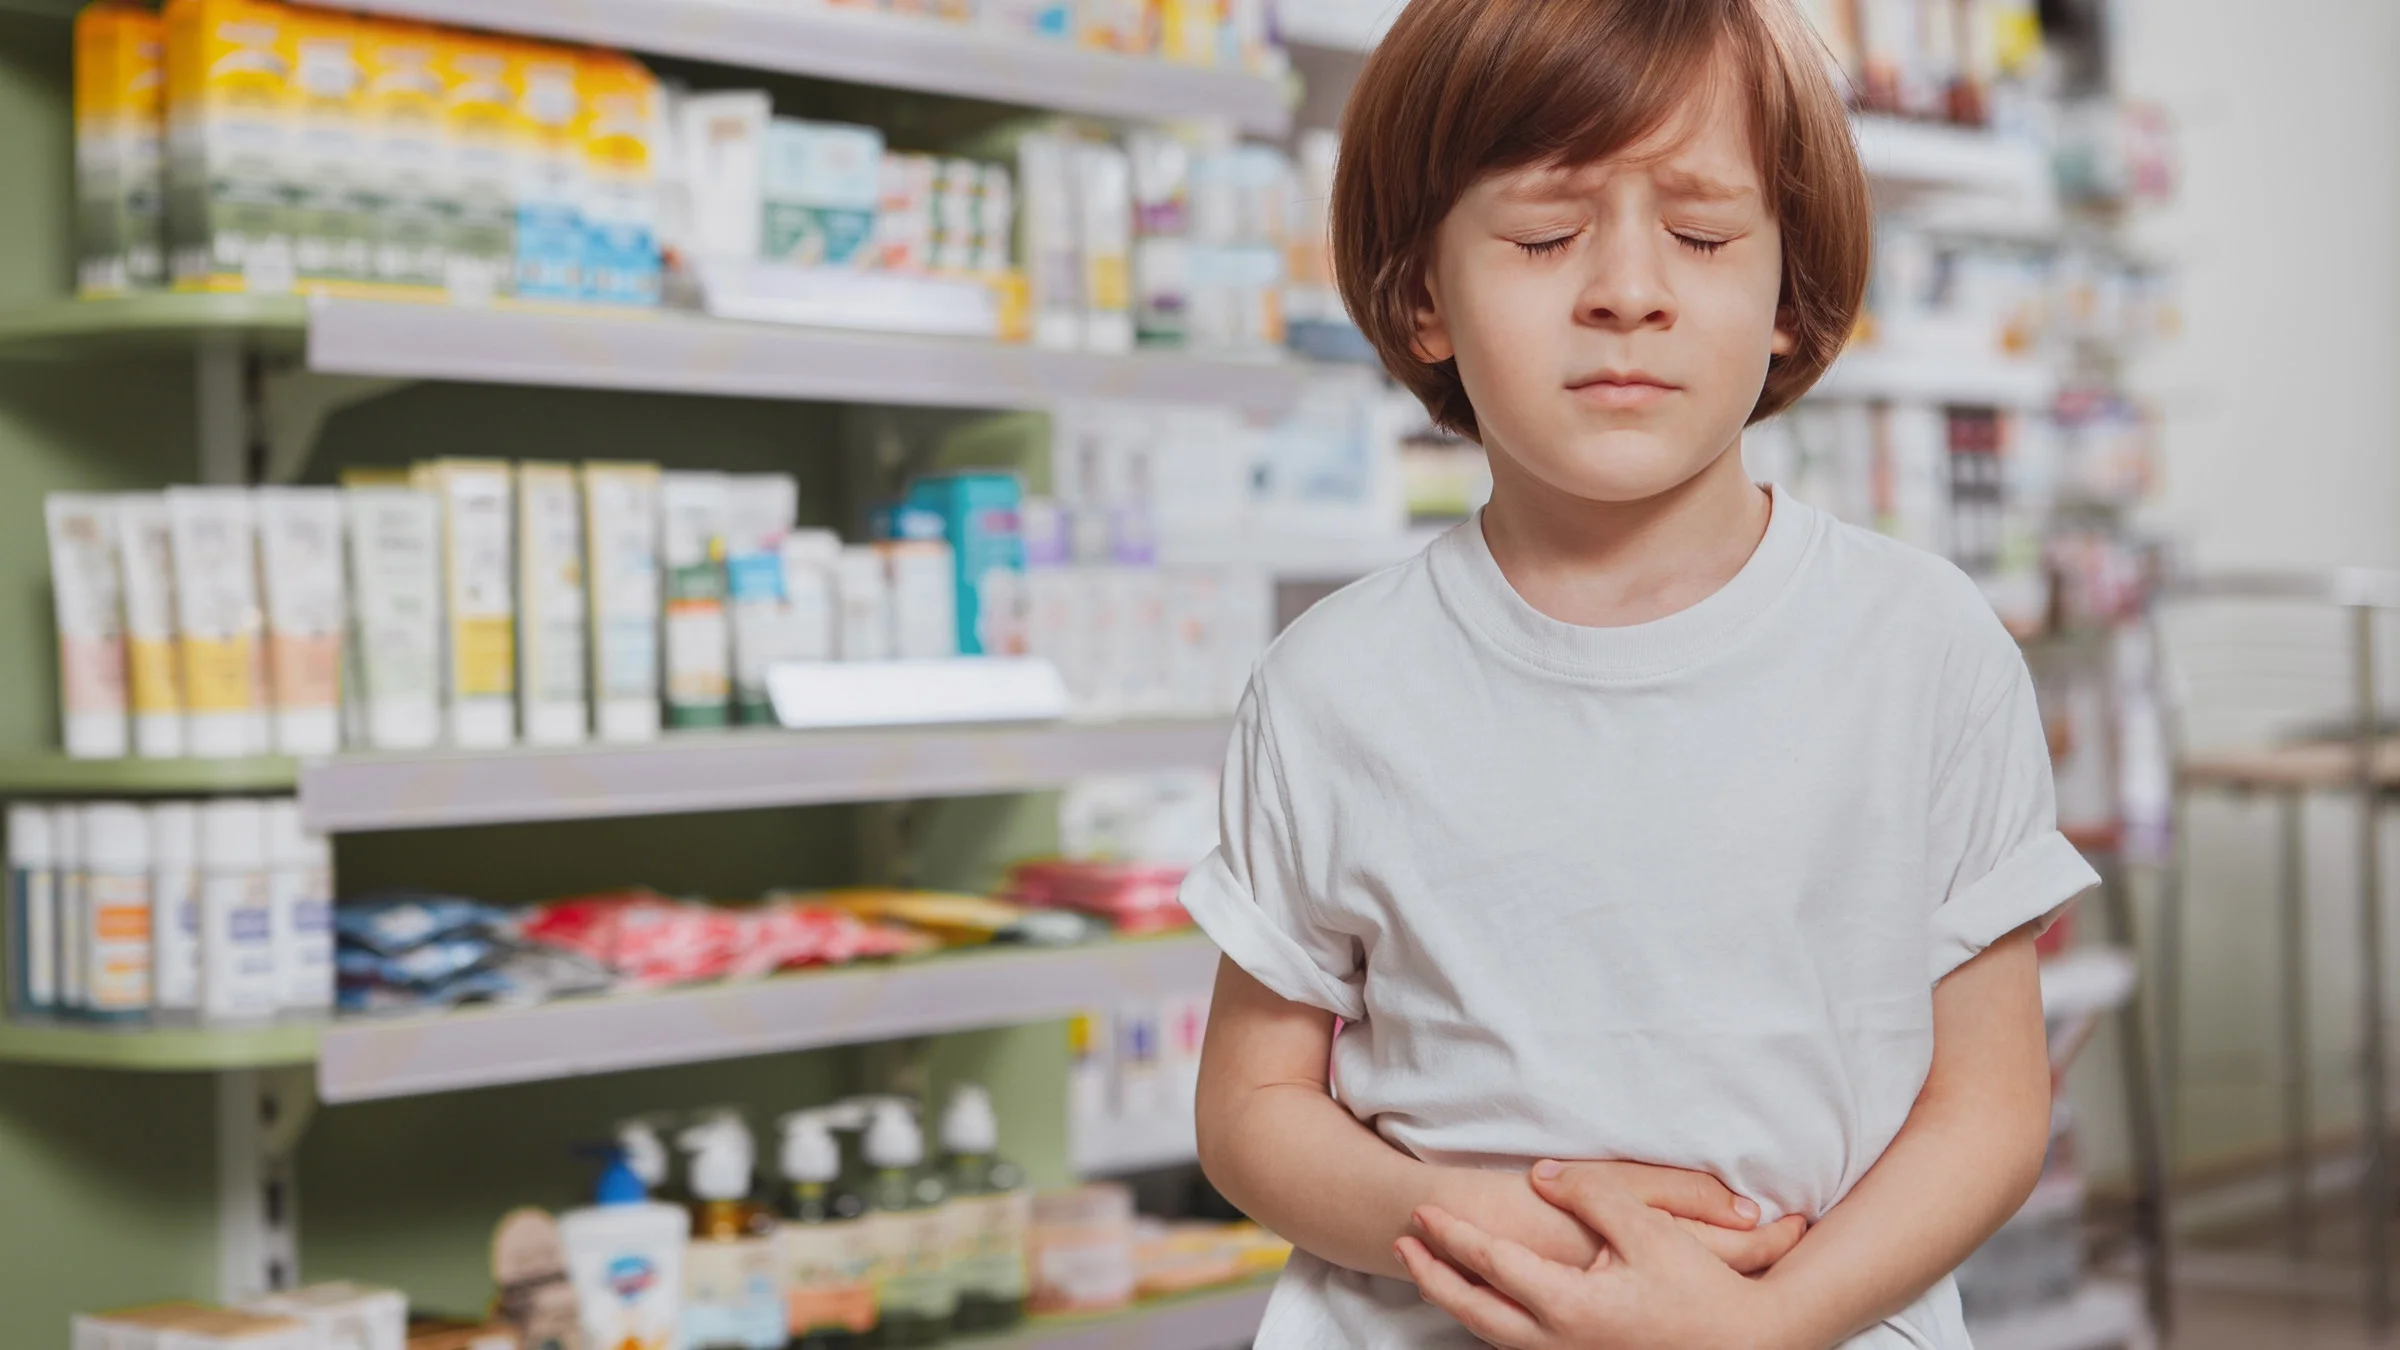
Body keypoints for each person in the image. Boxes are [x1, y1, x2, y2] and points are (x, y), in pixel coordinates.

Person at [1180, 0, 2100, 1346]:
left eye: (1704, 237)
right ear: (1424, 295)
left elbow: (1991, 1106)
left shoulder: (1923, 650)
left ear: (1789, 293)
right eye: (1544, 235)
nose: (1627, 290)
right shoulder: (1331, 685)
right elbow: (1250, 1109)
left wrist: (1763, 1325)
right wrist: (1513, 1232)